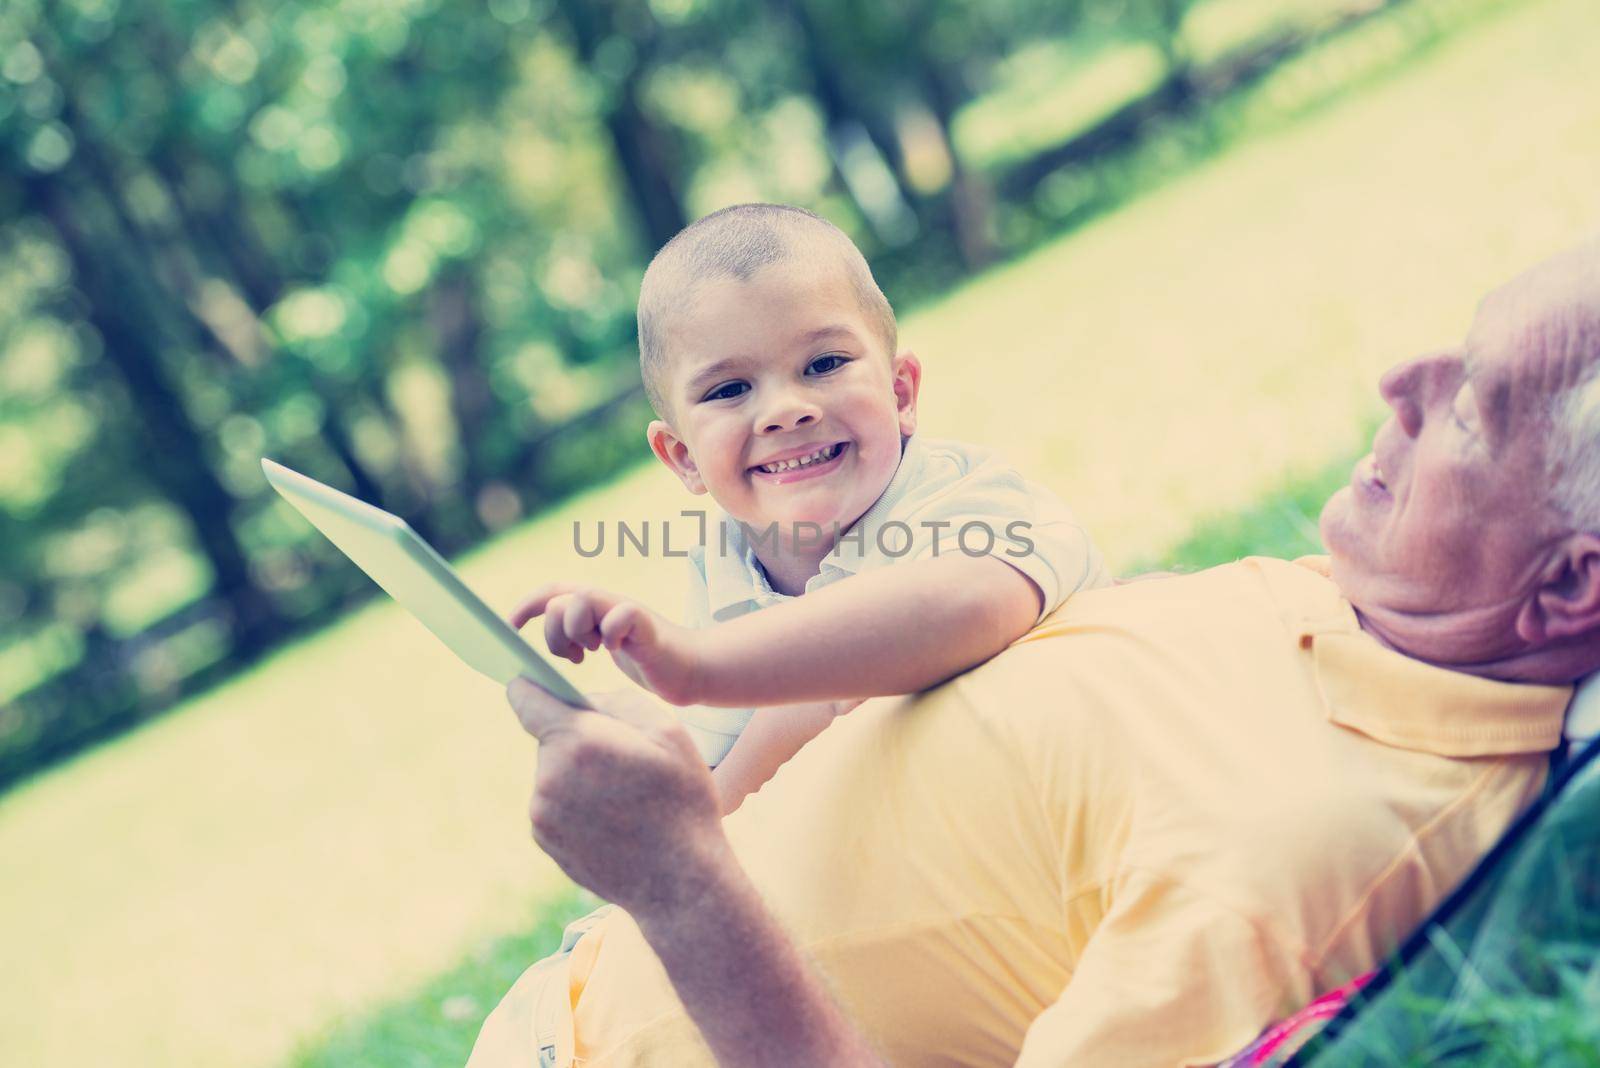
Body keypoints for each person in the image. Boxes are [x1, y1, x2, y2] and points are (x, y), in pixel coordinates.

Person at [471, 239, 1600, 1067]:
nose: (1401, 381)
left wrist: (676, 882)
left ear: (1570, 585)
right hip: (559, 1000)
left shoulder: (1304, 849)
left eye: (1473, 409)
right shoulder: (1353, 610)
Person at [510, 204, 1108, 812]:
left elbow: (956, 611)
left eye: (823, 364)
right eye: (728, 389)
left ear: (899, 393)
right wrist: (646, 702)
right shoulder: (725, 567)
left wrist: (698, 672)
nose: (784, 410)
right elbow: (723, 746)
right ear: (683, 456)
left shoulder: (968, 497)